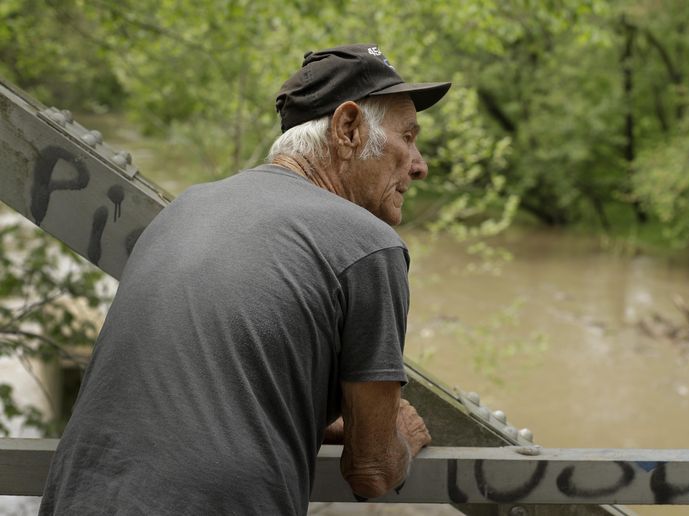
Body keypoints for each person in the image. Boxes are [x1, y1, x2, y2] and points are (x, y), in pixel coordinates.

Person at [39, 44, 451, 515]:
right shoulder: (368, 244)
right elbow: (372, 471)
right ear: (348, 129)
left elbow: (182, 386)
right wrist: (402, 440)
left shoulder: (187, 207)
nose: (419, 165)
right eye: (409, 137)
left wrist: (303, 418)